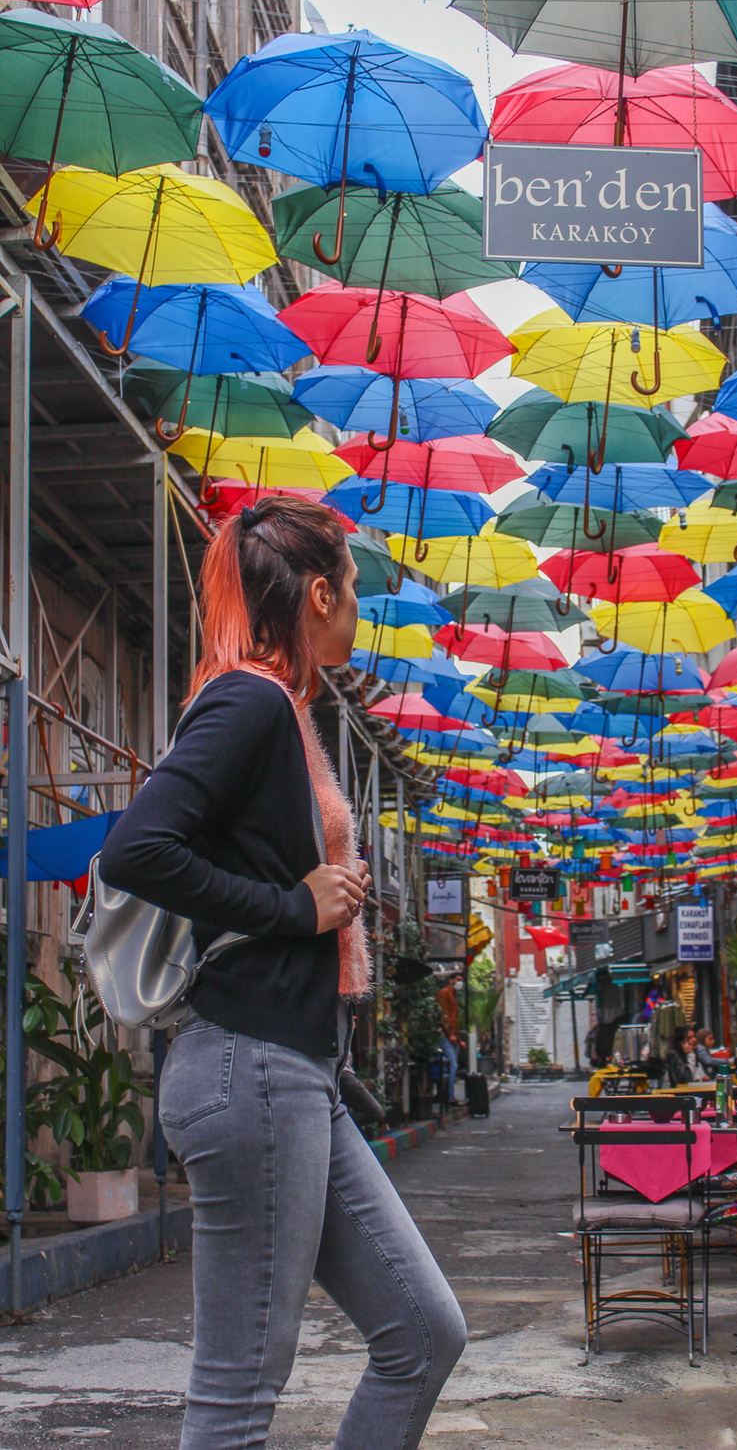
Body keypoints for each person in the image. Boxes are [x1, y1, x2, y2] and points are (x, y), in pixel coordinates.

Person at [100, 498, 466, 1450]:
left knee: (424, 1333)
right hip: (250, 1070)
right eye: (354, 588)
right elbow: (137, 849)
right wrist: (293, 908)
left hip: (294, 1074)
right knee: (237, 1396)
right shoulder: (250, 700)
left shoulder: (284, 710)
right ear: (318, 595)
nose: (359, 607)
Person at [437, 970, 462, 1104]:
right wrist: (450, 1034)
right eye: (458, 980)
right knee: (453, 1064)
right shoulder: (444, 994)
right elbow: (444, 1015)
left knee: (453, 1065)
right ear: (451, 981)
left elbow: (453, 1018)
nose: (460, 983)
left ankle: (450, 1094)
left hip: (452, 1036)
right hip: (446, 1035)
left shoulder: (453, 995)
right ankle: (450, 1096)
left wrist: (457, 1037)